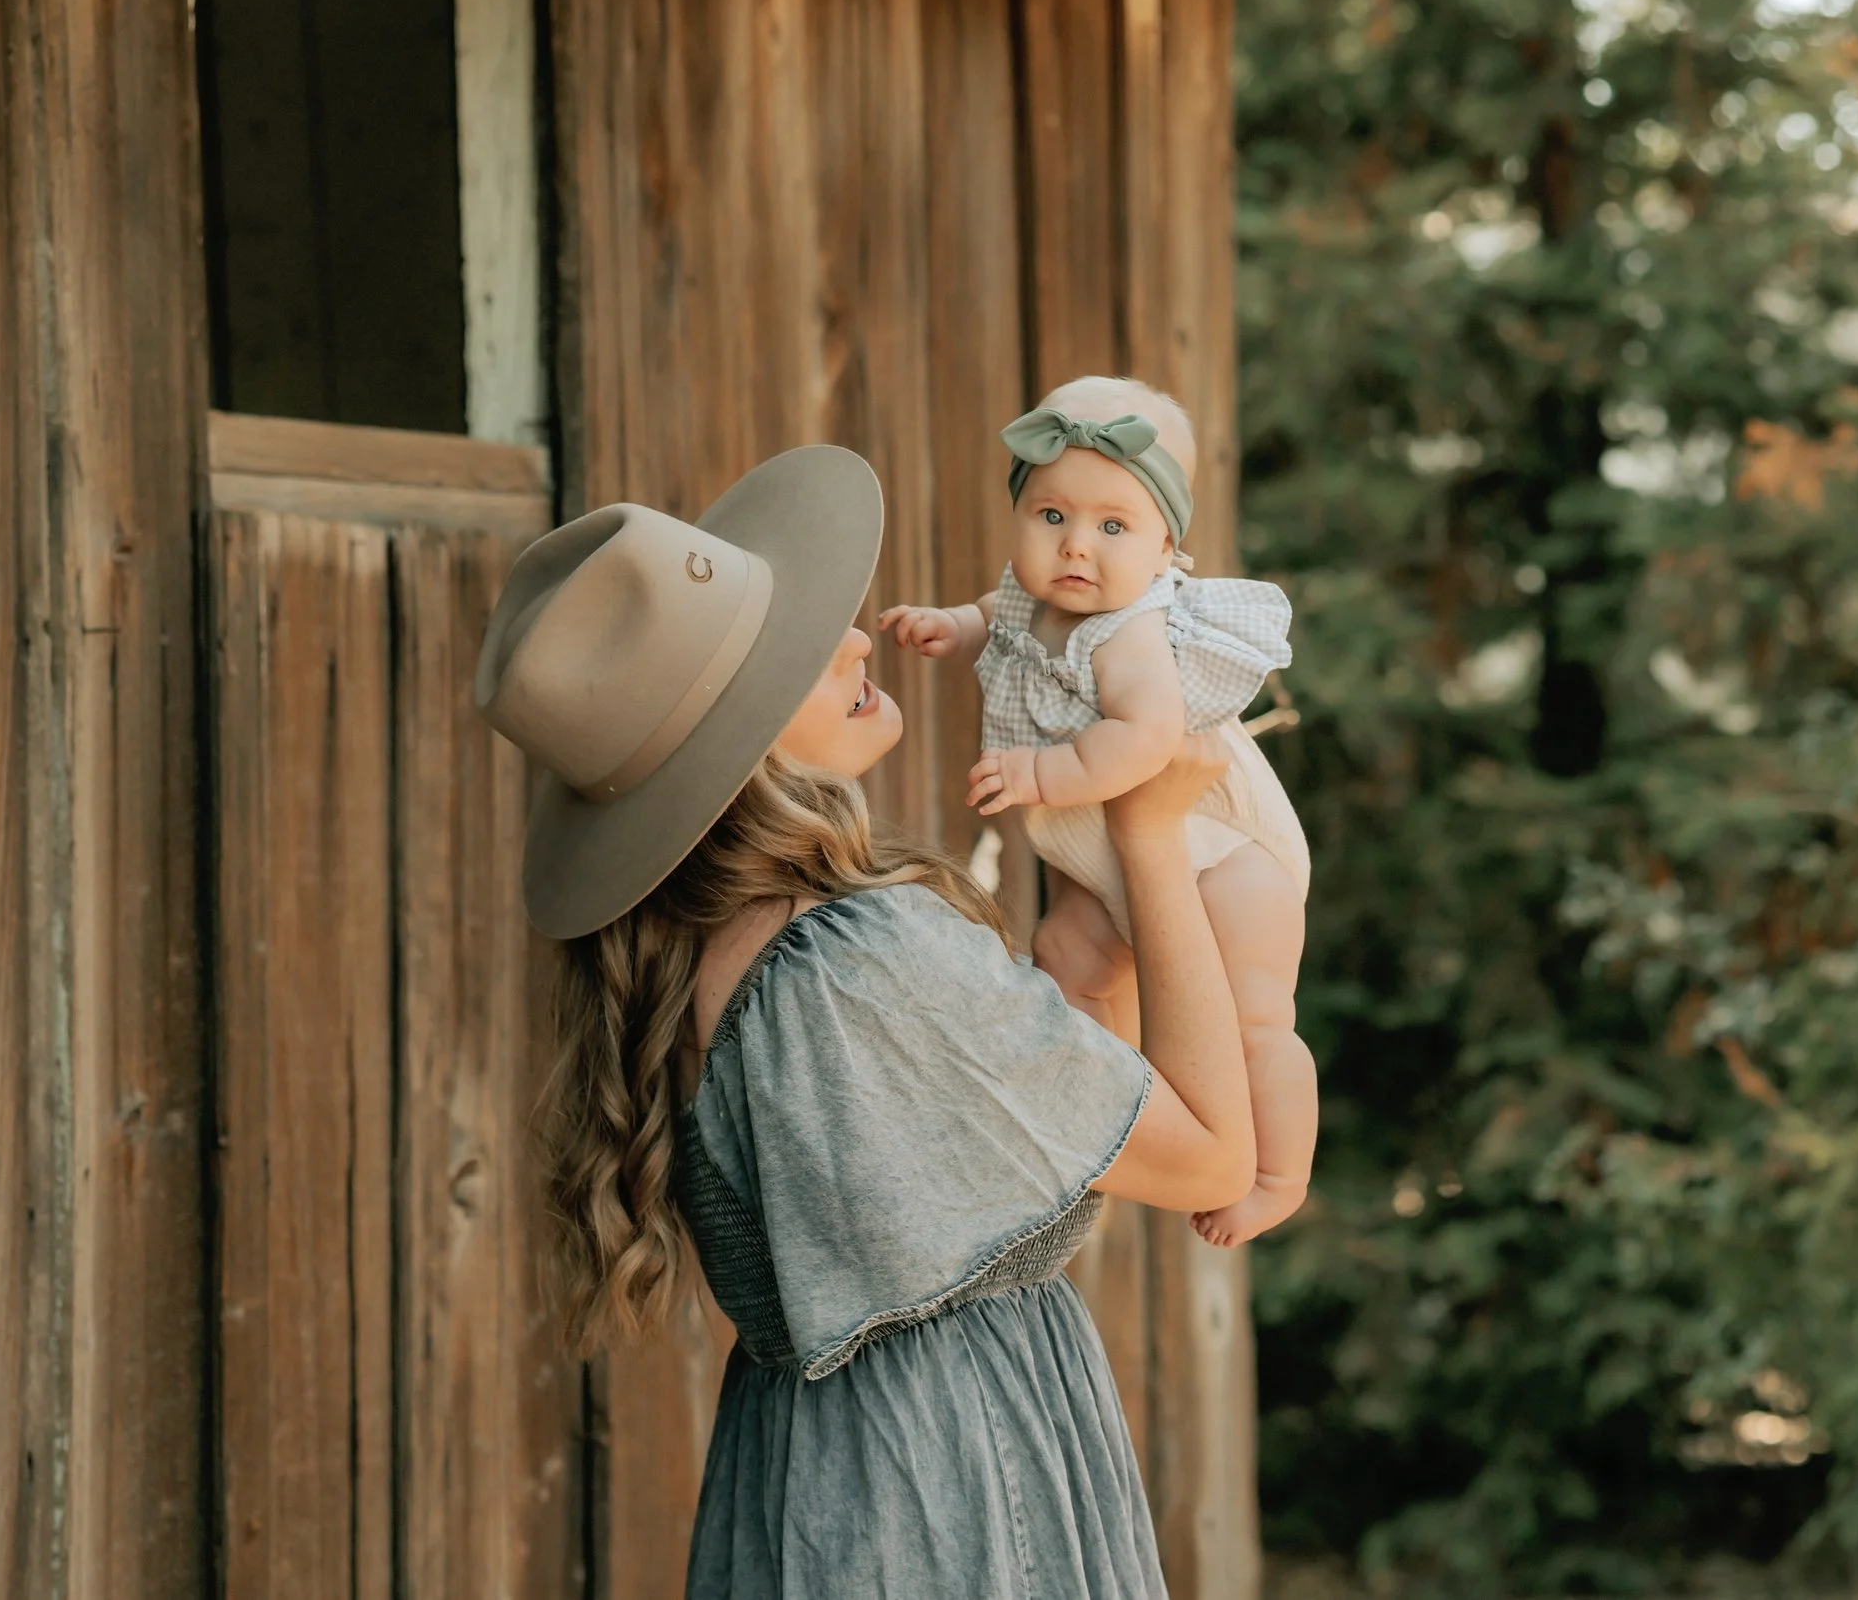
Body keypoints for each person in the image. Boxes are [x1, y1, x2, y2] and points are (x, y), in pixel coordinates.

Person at [472, 445, 1253, 1597]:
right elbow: (1210, 1157)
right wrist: (1147, 838)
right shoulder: (858, 961)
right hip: (951, 1481)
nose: (850, 643)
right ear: (723, 755)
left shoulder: (692, 959)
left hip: (800, 1479)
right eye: (789, 654)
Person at [876, 375, 1317, 1248]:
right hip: (1114, 860)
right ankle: (1110, 1109)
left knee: (1254, 1017)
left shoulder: (1132, 634)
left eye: (1112, 527)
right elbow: (995, 621)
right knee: (1065, 957)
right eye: (1052, 518)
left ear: (1165, 546)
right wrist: (950, 627)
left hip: (1222, 854)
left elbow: (1147, 739)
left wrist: (1043, 774)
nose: (1077, 547)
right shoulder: (1034, 596)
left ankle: (1277, 1175)